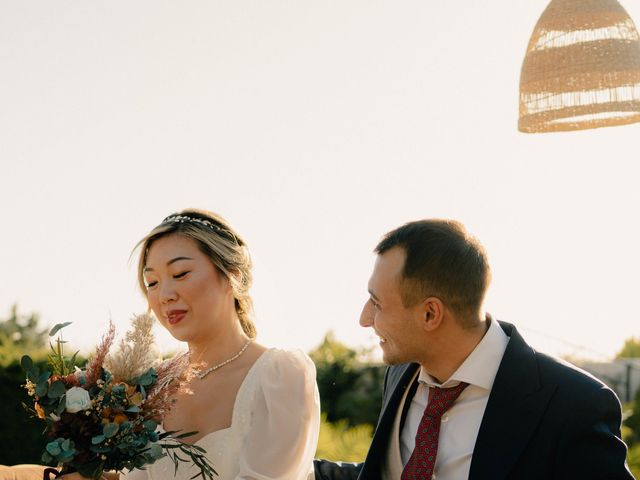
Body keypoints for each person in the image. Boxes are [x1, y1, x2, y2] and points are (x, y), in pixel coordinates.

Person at [314, 219, 634, 480]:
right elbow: (387, 472)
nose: (364, 319)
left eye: (377, 303)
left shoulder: (573, 404)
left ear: (430, 314)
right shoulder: (400, 372)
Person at [52, 209, 318, 480]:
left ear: (231, 276)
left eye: (180, 274)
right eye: (152, 282)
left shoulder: (281, 376)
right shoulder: (150, 388)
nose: (164, 295)